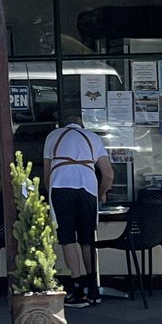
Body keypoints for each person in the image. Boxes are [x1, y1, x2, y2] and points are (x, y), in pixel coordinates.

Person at [43, 116, 114, 307]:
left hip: (60, 186)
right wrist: (101, 193)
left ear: (64, 124)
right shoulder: (92, 137)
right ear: (82, 124)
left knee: (67, 239)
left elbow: (46, 172)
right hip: (88, 188)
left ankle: (77, 288)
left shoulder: (53, 136)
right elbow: (108, 175)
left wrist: (49, 194)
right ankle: (93, 288)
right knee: (87, 239)